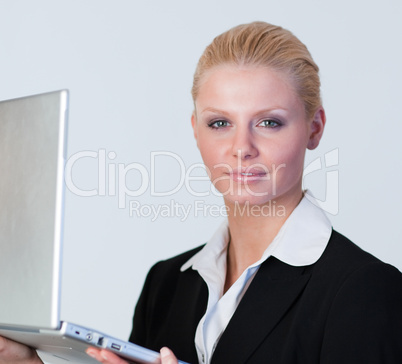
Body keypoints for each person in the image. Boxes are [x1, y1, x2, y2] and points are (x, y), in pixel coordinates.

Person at [1, 21, 402, 364]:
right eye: (219, 123)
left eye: (269, 122)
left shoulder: (364, 290)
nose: (241, 147)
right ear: (195, 130)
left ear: (314, 128)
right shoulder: (166, 284)